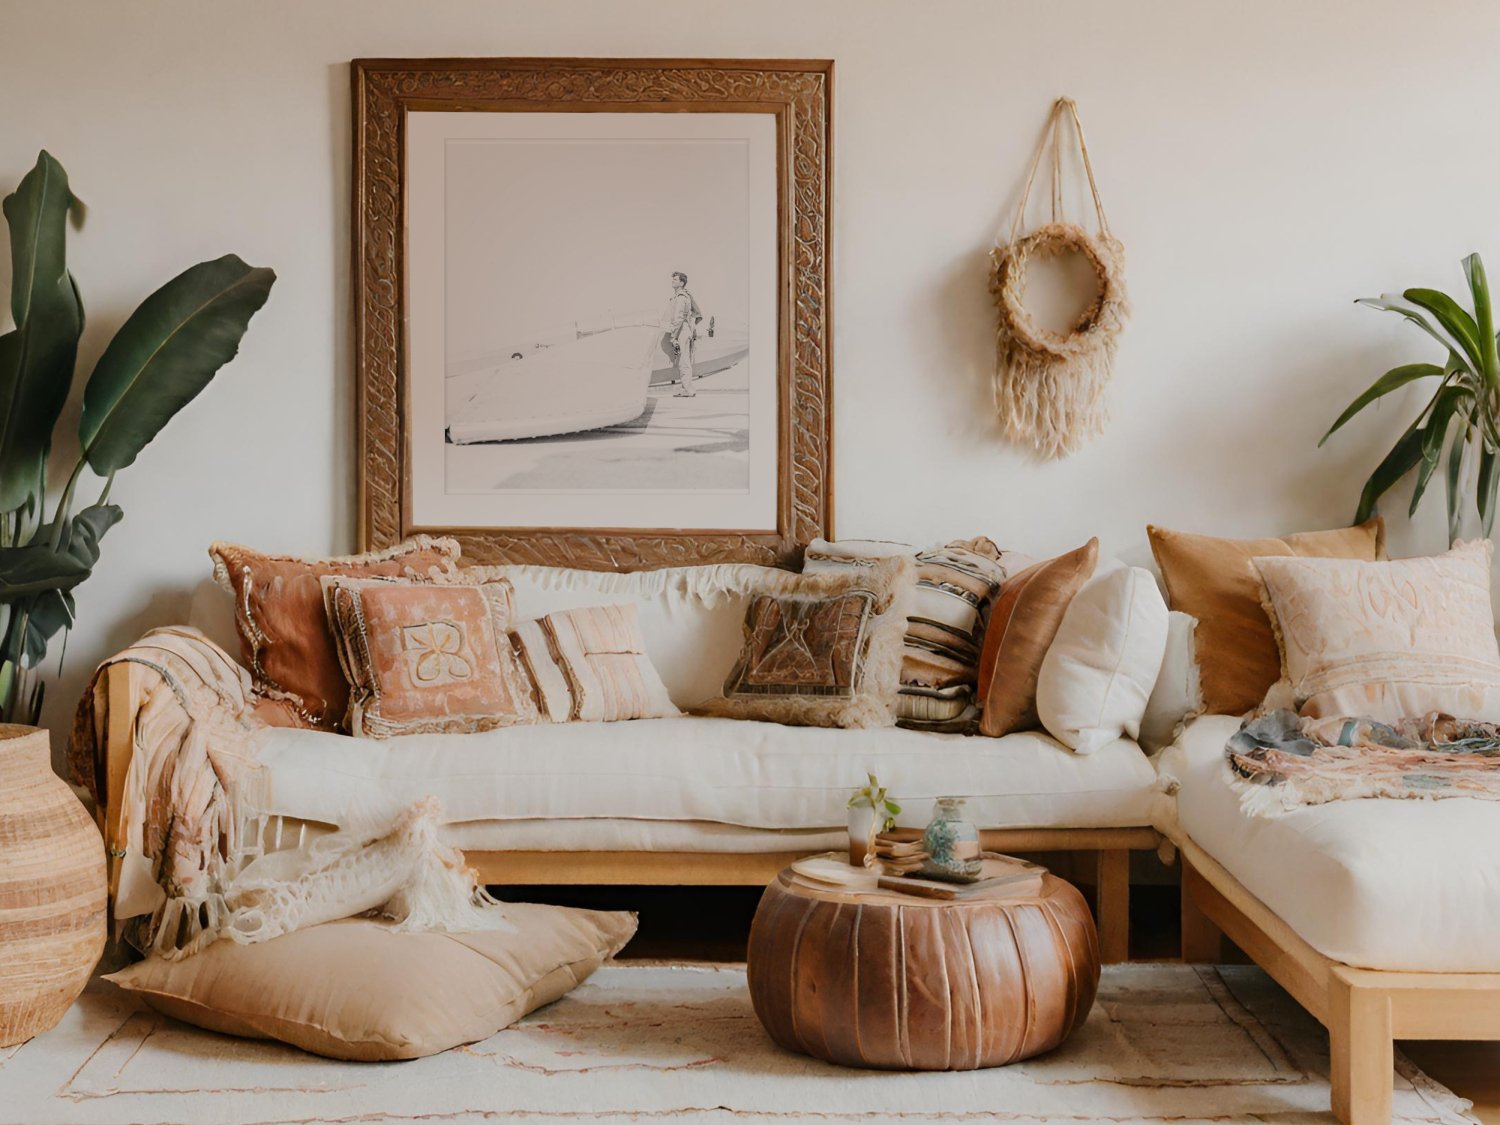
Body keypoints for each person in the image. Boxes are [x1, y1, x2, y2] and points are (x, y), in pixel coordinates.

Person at [660, 270, 702, 397]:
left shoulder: (680, 297)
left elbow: (678, 318)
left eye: (675, 279)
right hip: (684, 329)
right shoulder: (683, 296)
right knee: (685, 361)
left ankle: (687, 390)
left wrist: (673, 336)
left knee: (684, 362)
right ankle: (688, 389)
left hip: (681, 330)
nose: (672, 281)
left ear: (682, 283)